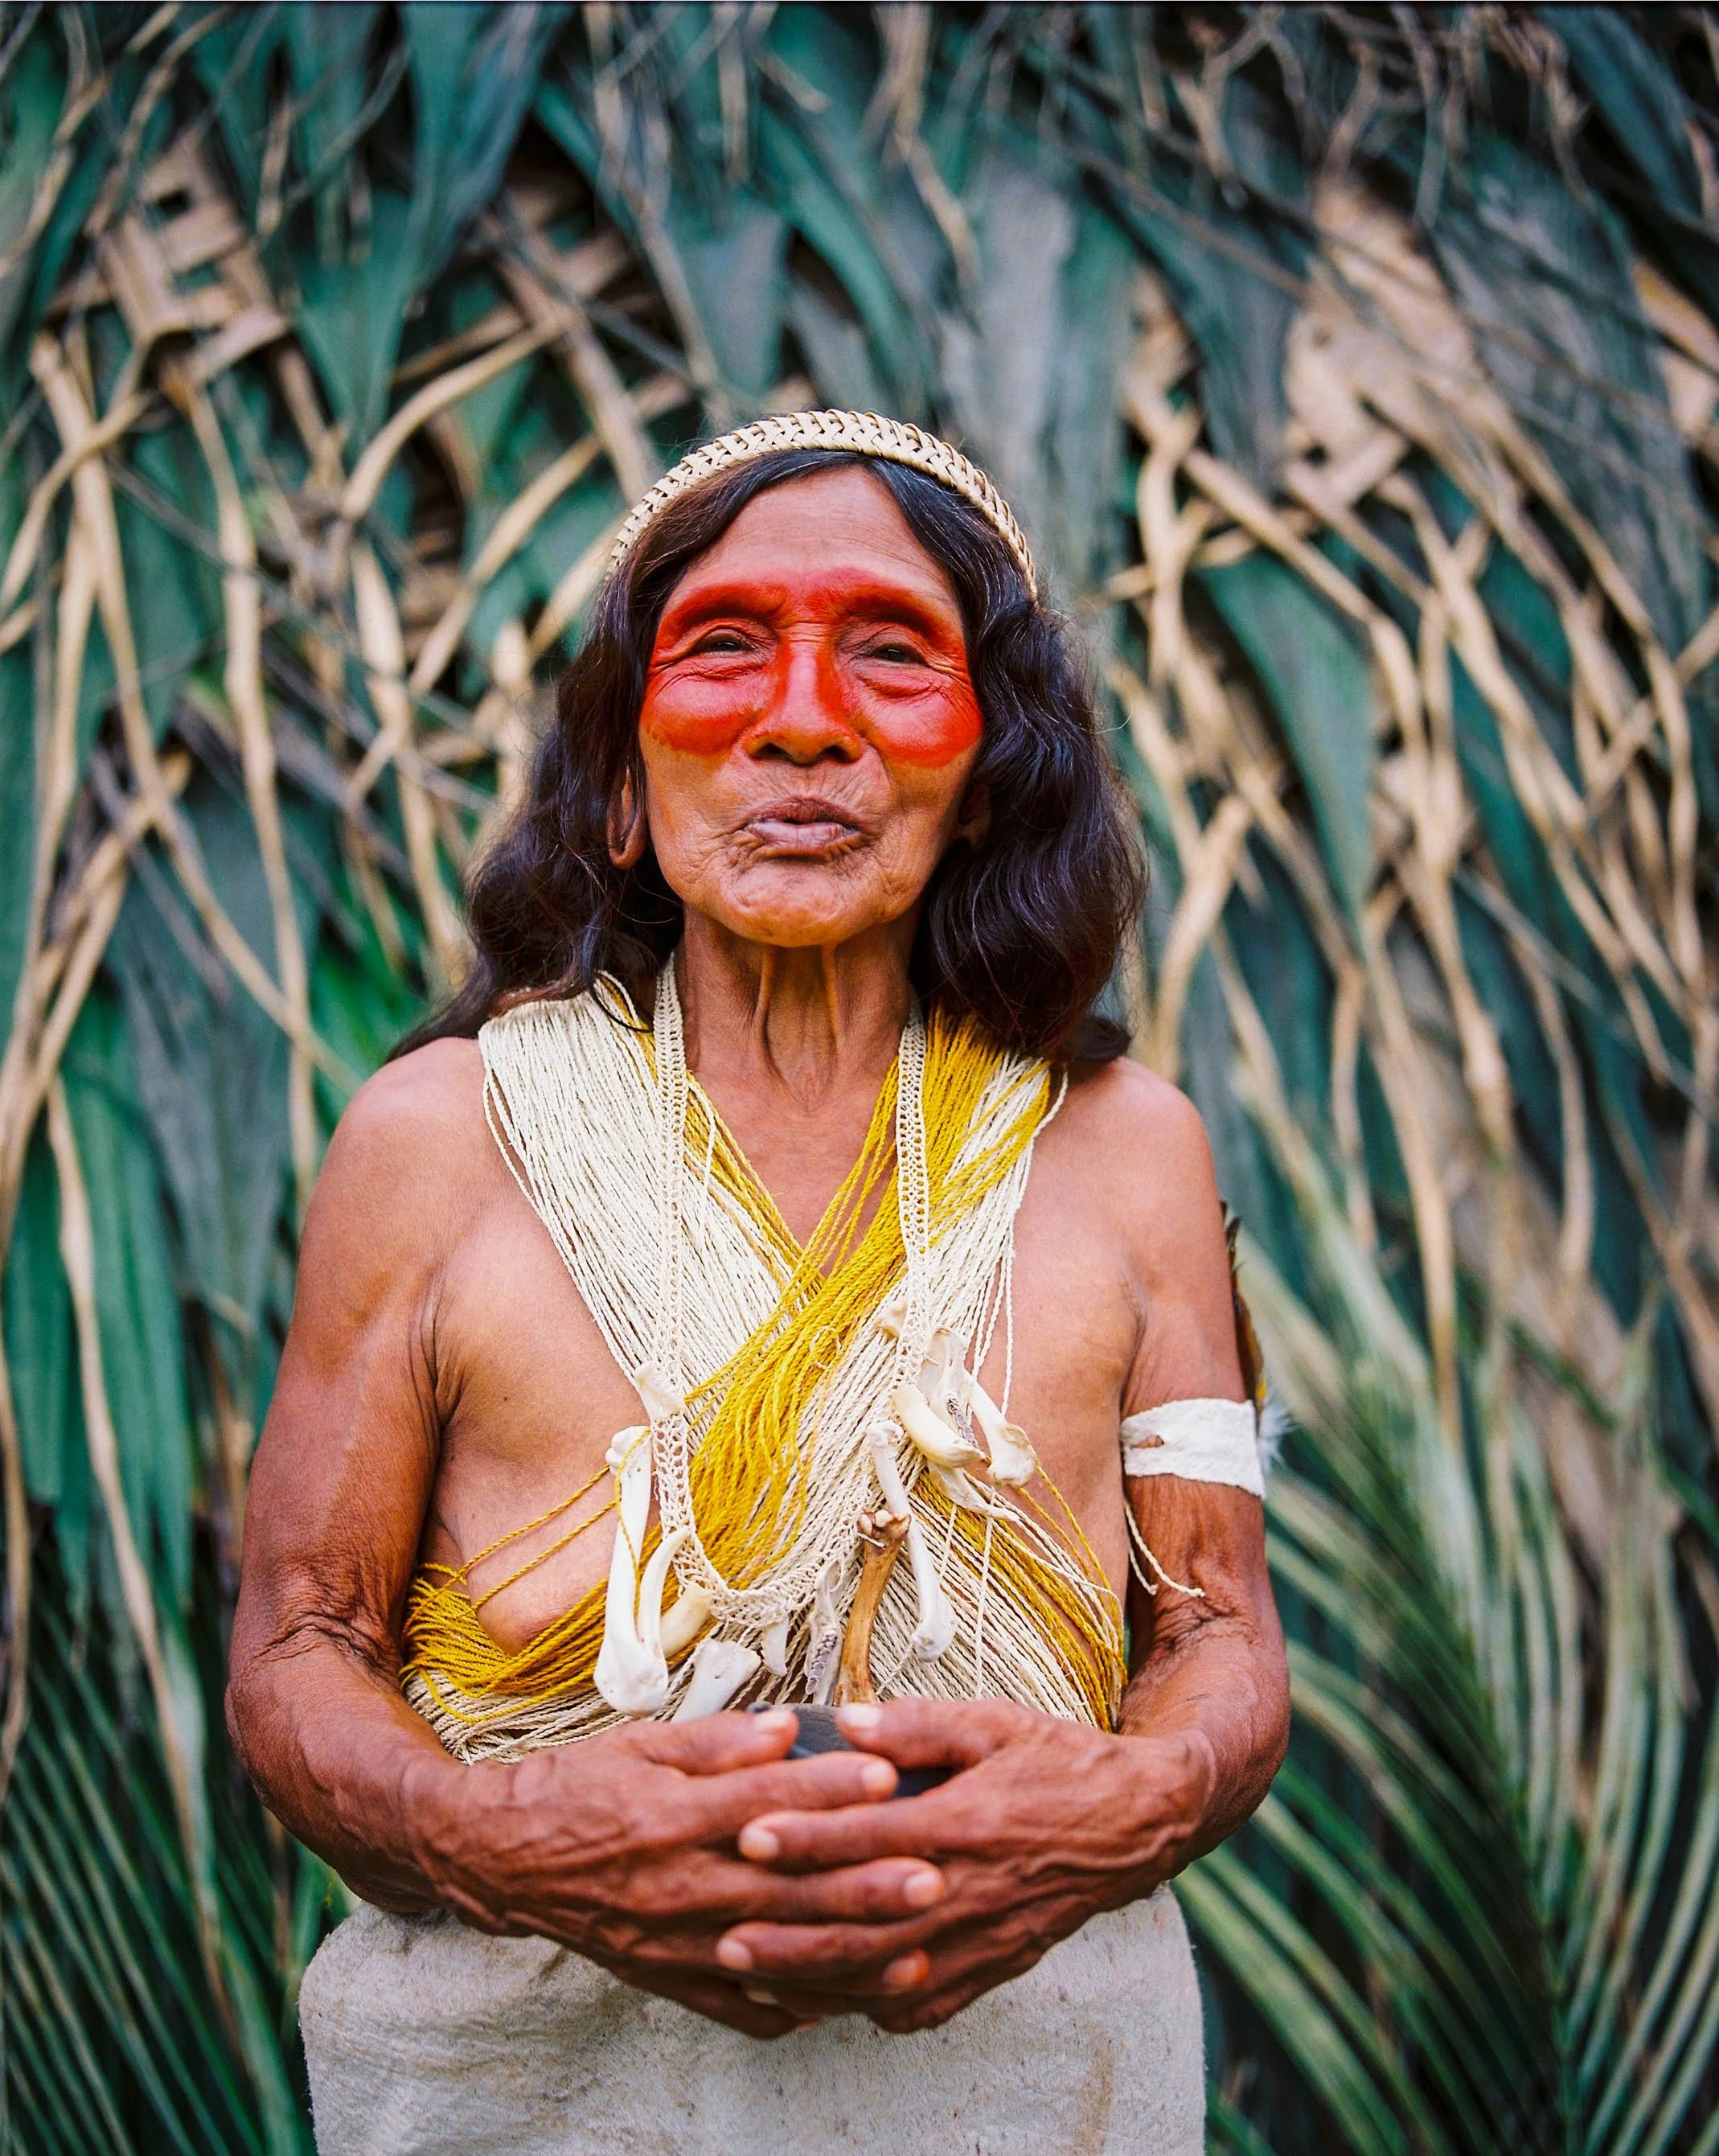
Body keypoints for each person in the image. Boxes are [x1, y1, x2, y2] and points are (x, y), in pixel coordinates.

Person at [228, 411, 1290, 2155]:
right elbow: (298, 1643)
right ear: (625, 787)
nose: (804, 718)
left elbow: (1217, 1629)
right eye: (725, 647)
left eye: (892, 651)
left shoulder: (1127, 1149)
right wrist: (502, 1840)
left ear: (987, 773)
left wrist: (1125, 1798)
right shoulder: (440, 1137)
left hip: (1040, 2086)